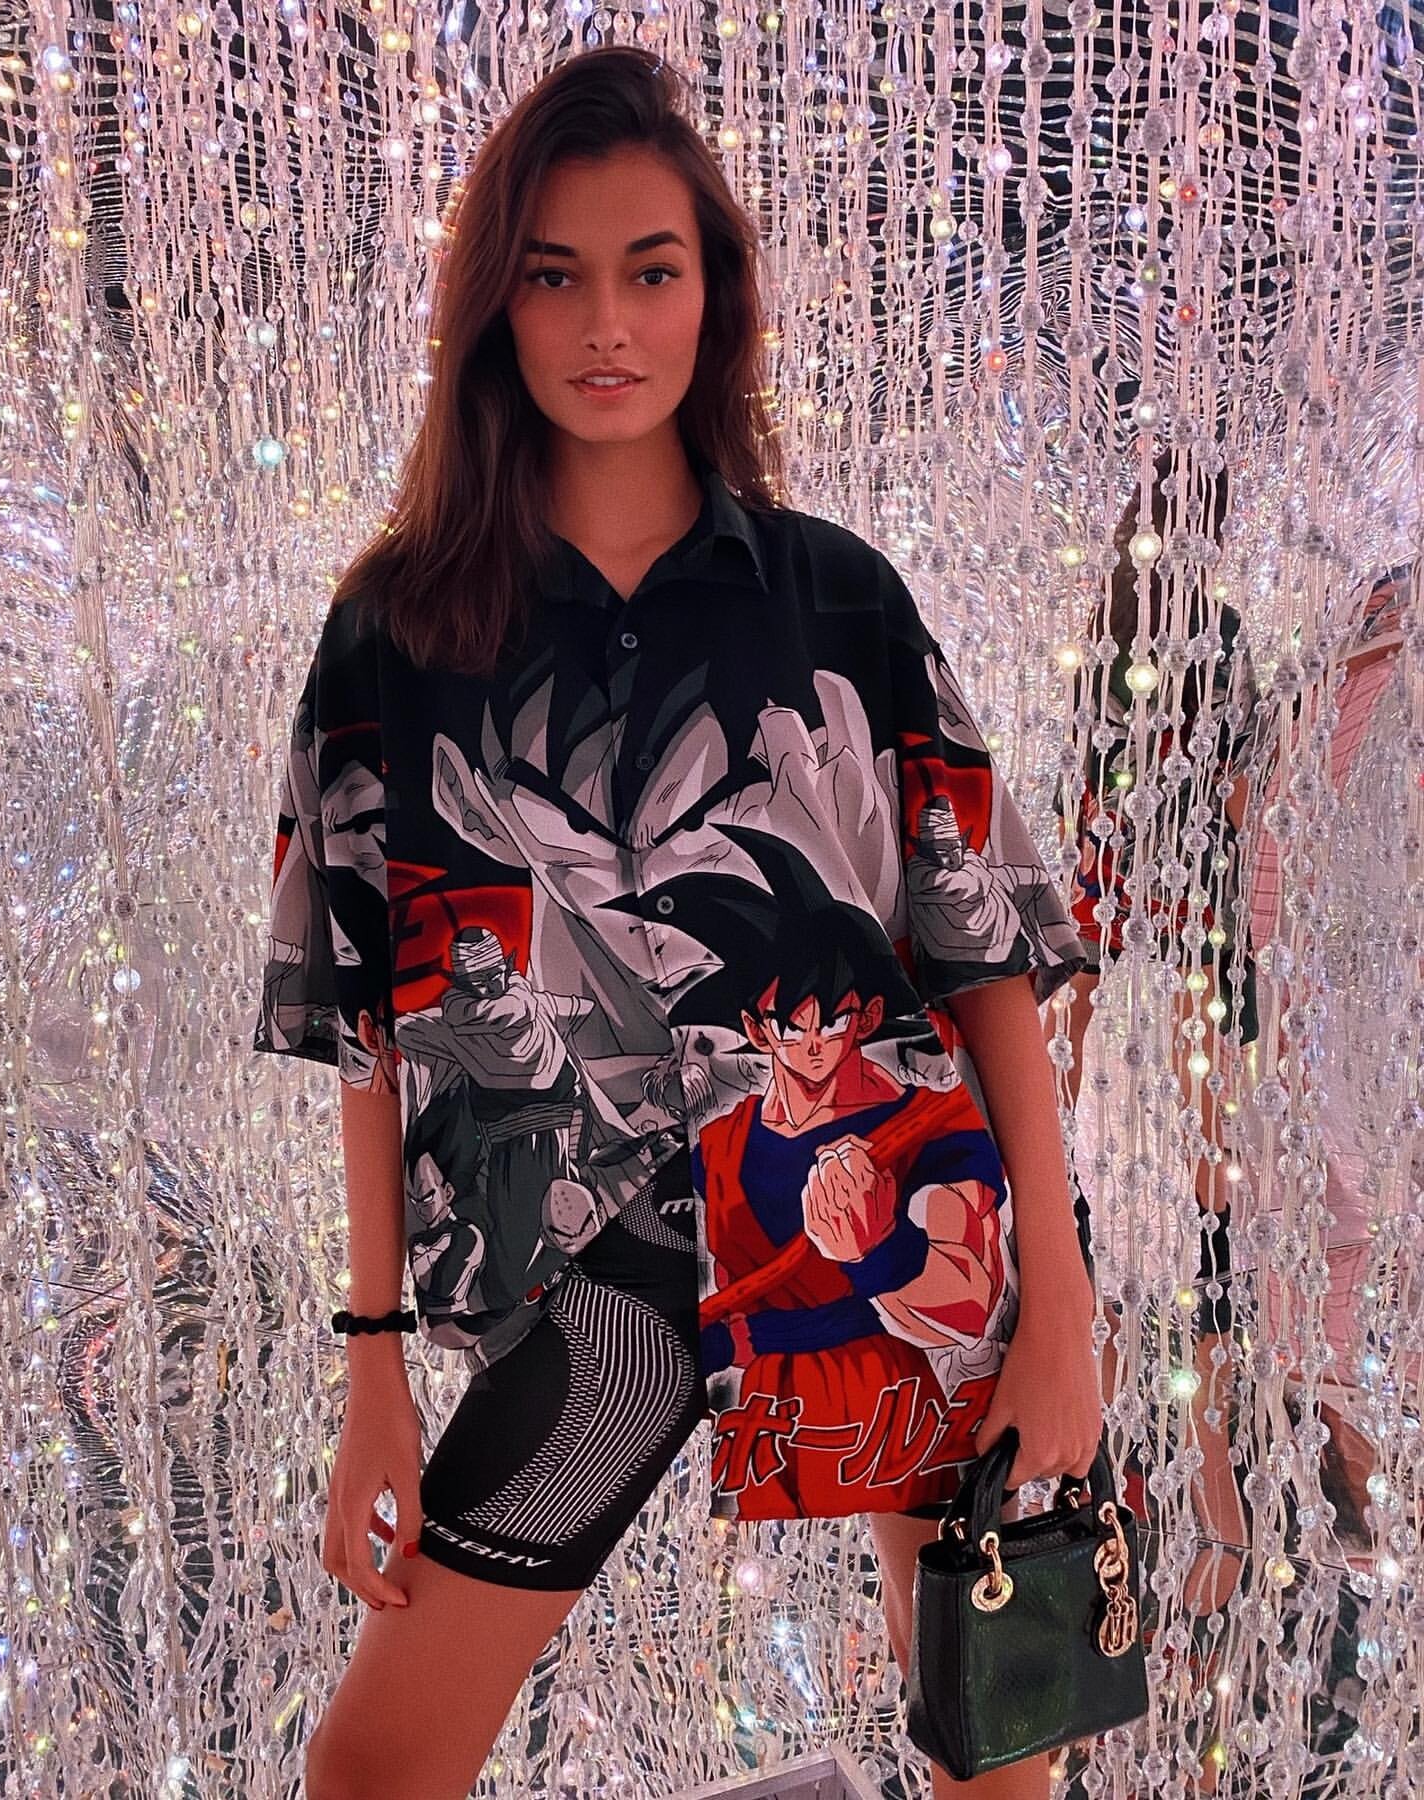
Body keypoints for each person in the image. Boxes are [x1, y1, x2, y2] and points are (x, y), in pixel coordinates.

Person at [255, 45, 1100, 1800]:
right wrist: (373, 1371)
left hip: (896, 1229)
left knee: (999, 1751)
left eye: (651, 270)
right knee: (373, 1771)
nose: (605, 325)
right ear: (494, 308)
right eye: (552, 275)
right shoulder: (395, 637)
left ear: (714, 293)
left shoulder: (840, 601)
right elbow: (371, 1025)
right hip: (595, 1281)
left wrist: (1064, 1307)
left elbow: (983, 958)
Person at [1045, 447, 1263, 1614]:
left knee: (1093, 1207)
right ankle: (1213, 1511)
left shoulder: (1105, 642)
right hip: (1191, 935)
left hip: (1116, 924)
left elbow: (1082, 798)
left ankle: (1109, 1494)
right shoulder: (1216, 636)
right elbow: (1238, 796)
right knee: (1208, 1212)